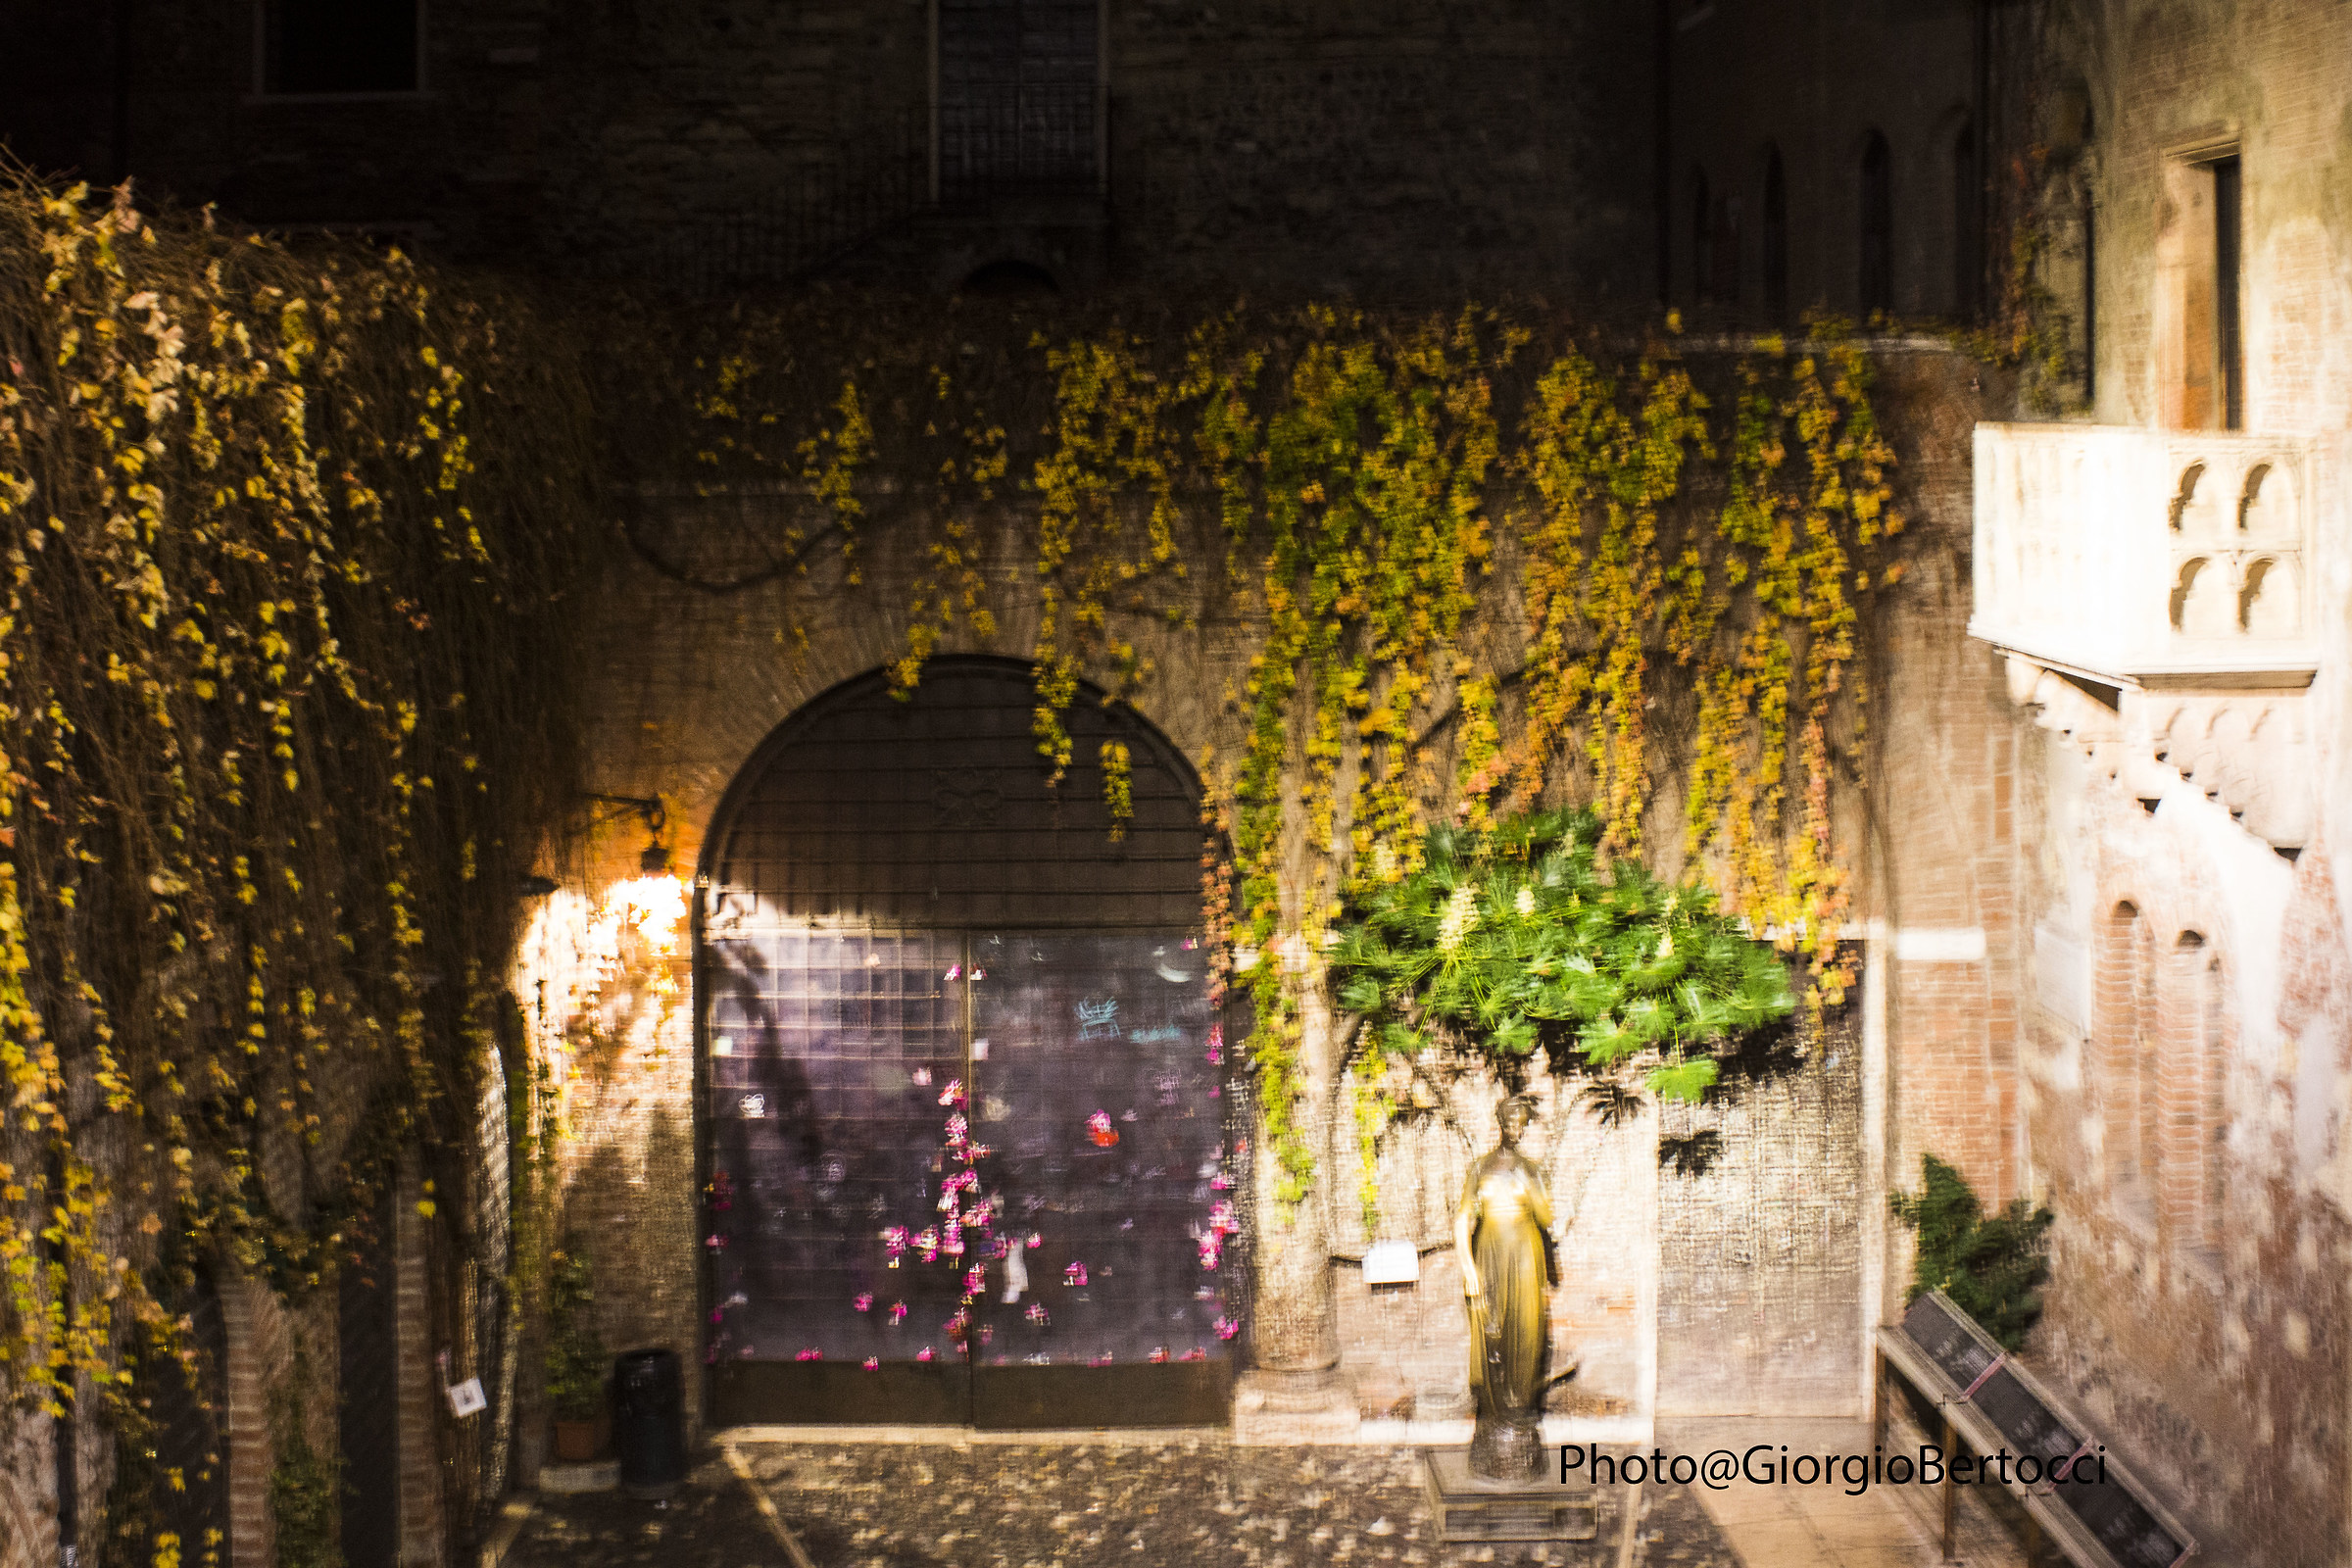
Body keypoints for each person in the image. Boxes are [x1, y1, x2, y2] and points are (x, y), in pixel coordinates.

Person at [1454, 1095, 1558, 1479]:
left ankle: (1519, 1411)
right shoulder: (1479, 1168)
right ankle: (1495, 1413)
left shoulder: (1531, 1169)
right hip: (1490, 1258)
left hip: (1526, 1259)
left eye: (1523, 1122)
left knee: (1527, 1332)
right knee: (1490, 1333)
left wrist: (1531, 1185)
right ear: (1501, 1122)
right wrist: (1467, 1266)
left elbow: (1546, 1216)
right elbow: (1463, 1218)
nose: (1517, 1128)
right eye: (1513, 1121)